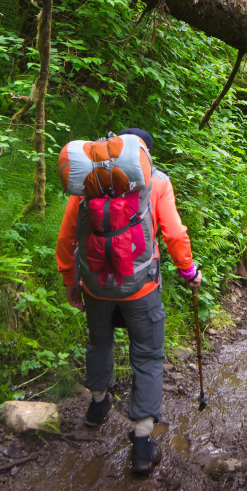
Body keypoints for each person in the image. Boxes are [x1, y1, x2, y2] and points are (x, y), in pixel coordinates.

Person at [55, 127, 202, 474]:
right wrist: (189, 271)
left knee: (99, 340)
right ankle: (141, 442)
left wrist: (69, 282)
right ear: (144, 156)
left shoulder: (87, 183)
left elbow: (67, 238)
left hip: (96, 287)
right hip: (141, 289)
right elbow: (175, 234)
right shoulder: (158, 183)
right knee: (148, 356)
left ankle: (96, 405)